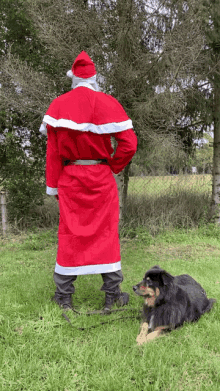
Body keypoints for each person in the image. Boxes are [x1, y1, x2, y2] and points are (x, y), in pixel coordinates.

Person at [39, 51, 137, 311]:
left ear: (73, 78)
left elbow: (53, 153)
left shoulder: (59, 105)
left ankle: (63, 297)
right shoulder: (108, 102)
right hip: (101, 177)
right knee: (106, 234)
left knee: (70, 232)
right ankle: (112, 296)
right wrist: (112, 167)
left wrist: (53, 186)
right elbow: (129, 144)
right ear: (94, 78)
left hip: (71, 178)